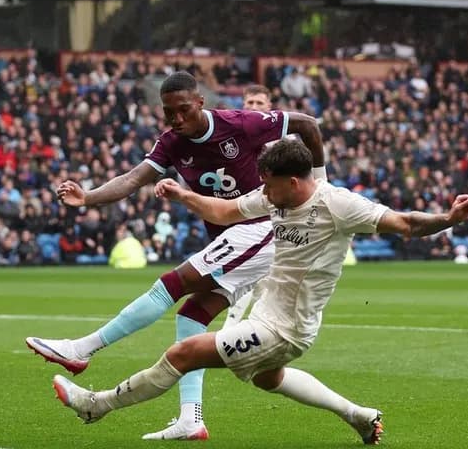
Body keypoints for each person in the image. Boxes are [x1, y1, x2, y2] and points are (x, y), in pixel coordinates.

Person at [52, 140, 468, 445]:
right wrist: (185, 195)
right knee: (268, 378)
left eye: (270, 185)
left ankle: (98, 405)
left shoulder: (339, 205)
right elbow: (225, 210)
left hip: (286, 327)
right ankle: (358, 415)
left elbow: (405, 224)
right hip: (269, 318)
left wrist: (449, 218)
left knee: (184, 353)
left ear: (294, 182)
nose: (264, 193)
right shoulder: (276, 197)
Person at [26, 71, 326, 439]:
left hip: (261, 228)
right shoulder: (171, 142)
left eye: (183, 110)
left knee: (173, 282)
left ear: (200, 102)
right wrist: (87, 197)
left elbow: (308, 125)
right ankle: (191, 418)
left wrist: (319, 185)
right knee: (191, 318)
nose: (177, 119)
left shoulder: (240, 124)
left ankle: (82, 348)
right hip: (236, 237)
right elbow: (133, 179)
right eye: (170, 113)